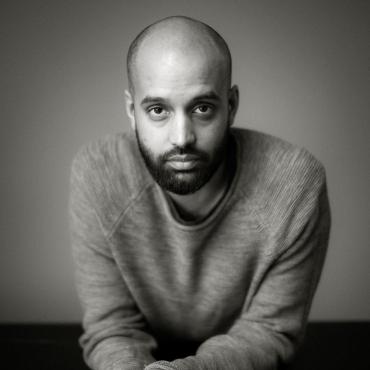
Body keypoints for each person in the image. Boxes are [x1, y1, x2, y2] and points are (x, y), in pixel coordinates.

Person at [69, 16, 330, 370]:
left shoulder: (295, 186)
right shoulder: (98, 173)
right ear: (132, 112)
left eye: (202, 108)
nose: (182, 138)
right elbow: (112, 329)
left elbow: (269, 330)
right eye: (158, 110)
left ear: (231, 105)